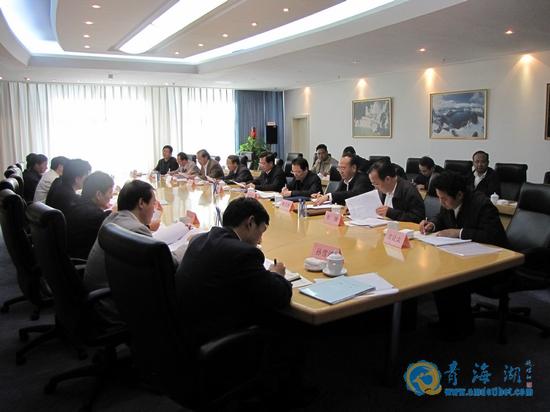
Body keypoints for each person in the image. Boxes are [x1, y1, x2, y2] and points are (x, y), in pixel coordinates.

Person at [175, 197, 291, 349]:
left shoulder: (199, 239)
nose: (260, 240)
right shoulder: (243, 253)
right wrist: (277, 274)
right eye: (261, 232)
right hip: (213, 338)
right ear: (250, 222)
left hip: (182, 333)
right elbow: (279, 295)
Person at [419, 171, 508, 340]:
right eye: (439, 198)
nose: (441, 202)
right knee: (439, 273)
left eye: (444, 199)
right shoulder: (449, 200)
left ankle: (462, 329)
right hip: (464, 256)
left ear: (459, 194)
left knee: (452, 279)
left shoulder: (482, 204)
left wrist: (459, 232)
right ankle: (447, 322)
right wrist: (432, 224)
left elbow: (493, 236)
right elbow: (441, 217)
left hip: (494, 264)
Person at [85, 180, 186, 293]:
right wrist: (189, 243)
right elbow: (171, 264)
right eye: (153, 203)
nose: (154, 209)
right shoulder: (136, 229)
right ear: (141, 203)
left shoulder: (111, 219)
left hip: (99, 289)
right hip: (112, 297)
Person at [65, 171, 114, 259]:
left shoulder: (77, 203)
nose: (111, 197)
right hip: (84, 260)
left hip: (70, 256)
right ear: (98, 195)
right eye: (110, 192)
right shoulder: (95, 216)